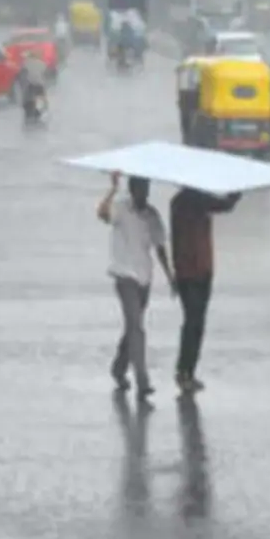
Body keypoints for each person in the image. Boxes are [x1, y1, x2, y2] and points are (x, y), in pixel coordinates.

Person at [97, 172, 175, 402]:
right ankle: (143, 380)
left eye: (146, 189)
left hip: (144, 277)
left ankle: (119, 367)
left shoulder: (152, 215)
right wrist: (112, 189)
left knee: (133, 327)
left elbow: (160, 247)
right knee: (137, 328)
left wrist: (170, 277)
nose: (143, 193)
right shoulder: (121, 208)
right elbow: (102, 214)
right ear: (132, 190)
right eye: (140, 189)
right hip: (124, 276)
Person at [170, 188, 241, 392]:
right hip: (190, 272)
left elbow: (226, 205)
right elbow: (225, 205)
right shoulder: (186, 202)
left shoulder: (190, 200)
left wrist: (236, 192)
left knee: (196, 322)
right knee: (194, 322)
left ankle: (187, 371)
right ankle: (184, 371)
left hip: (201, 270)